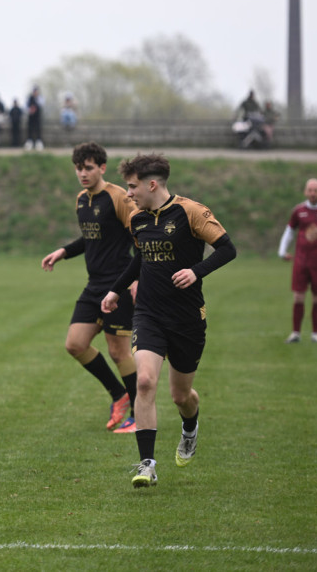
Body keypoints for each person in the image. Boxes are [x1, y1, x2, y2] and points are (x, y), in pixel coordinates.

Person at [100, 153, 236, 488]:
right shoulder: (137, 219)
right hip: (148, 313)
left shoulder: (191, 212)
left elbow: (227, 249)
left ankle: (190, 428)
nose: (128, 193)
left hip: (186, 317)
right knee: (145, 381)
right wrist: (116, 290)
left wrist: (196, 271)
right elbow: (140, 259)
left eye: (132, 186)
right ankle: (147, 464)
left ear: (151, 184)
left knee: (181, 396)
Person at [41, 143, 137, 433]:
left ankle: (139, 414)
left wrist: (136, 279)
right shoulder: (82, 200)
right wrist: (63, 251)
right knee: (75, 344)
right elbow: (91, 238)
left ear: (102, 168)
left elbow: (140, 237)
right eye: (78, 168)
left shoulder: (118, 197)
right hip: (94, 285)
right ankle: (118, 395)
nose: (82, 173)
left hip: (118, 285)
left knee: (119, 352)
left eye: (89, 168)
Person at [278, 178, 317, 344]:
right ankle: (296, 333)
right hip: (301, 261)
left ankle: (315, 334)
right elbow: (289, 231)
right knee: (298, 297)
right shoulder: (299, 211)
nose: (313, 193)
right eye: (310, 190)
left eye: (315, 190)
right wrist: (282, 251)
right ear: (305, 192)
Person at [25, 86, 44, 151]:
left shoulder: (40, 98)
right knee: (30, 129)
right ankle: (29, 142)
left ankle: (38, 142)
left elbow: (41, 104)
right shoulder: (29, 98)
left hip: (37, 116)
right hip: (31, 116)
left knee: (38, 129)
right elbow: (26, 106)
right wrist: (30, 110)